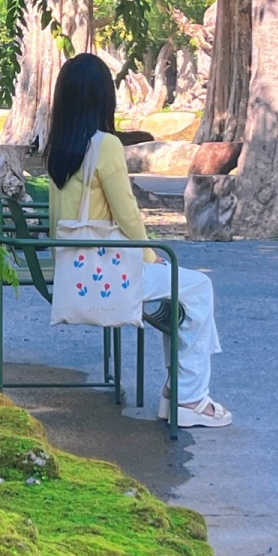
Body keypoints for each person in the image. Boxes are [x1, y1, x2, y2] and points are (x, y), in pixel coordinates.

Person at [44, 53, 231, 428]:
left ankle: (175, 392)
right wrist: (150, 257)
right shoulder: (105, 145)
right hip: (108, 272)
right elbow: (127, 213)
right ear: (102, 98)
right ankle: (189, 398)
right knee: (197, 287)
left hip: (73, 268)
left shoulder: (59, 149)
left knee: (185, 296)